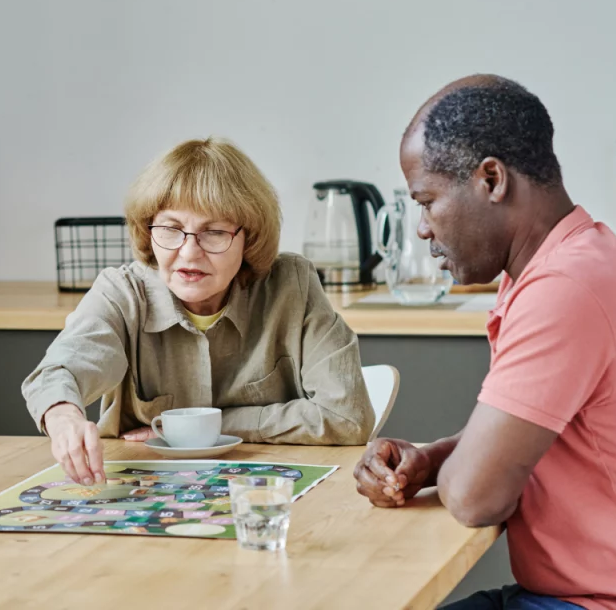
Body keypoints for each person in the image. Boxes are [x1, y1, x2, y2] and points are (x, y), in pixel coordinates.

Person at [353, 75, 616, 609]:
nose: (422, 229)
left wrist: (463, 469)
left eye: (427, 201)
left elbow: (474, 498)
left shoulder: (564, 289)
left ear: (492, 179)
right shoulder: (569, 262)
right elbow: (538, 430)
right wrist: (432, 458)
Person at [23, 137, 374, 485]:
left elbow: (348, 417)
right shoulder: (122, 293)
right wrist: (63, 416)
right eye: (171, 229)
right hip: (148, 490)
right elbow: (58, 372)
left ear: (249, 239)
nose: (189, 252)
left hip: (266, 492)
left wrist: (202, 428)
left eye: (214, 232)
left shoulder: (292, 286)